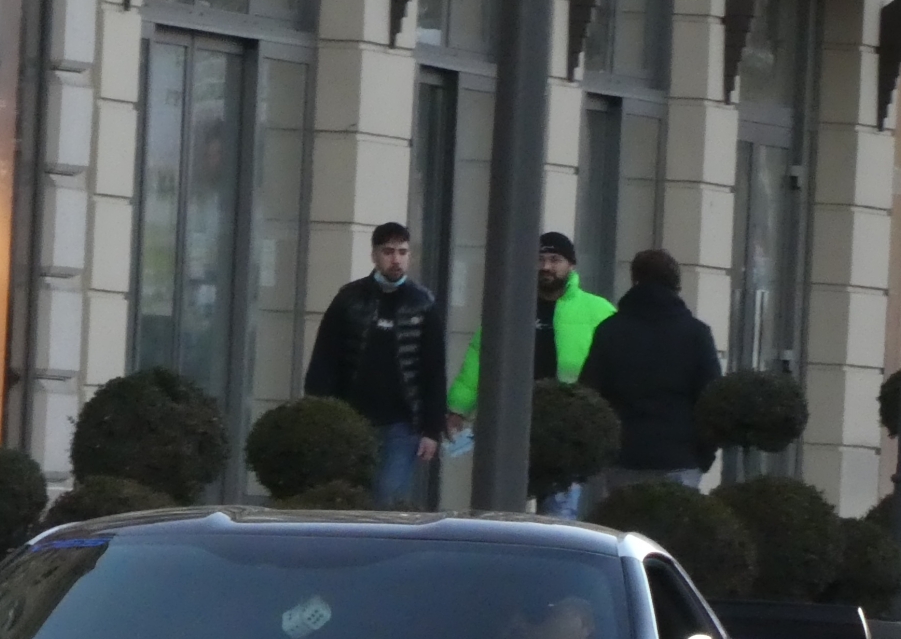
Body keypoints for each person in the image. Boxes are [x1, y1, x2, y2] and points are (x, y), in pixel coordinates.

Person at [446, 231, 615, 515]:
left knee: (559, 515)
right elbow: (481, 355)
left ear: (571, 265)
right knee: (504, 509)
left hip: (567, 430)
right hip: (512, 424)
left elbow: (613, 366)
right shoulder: (510, 305)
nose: (546, 266)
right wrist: (458, 407)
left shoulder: (598, 311)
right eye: (539, 259)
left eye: (554, 259)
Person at [305, 221, 448, 508]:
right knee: (348, 495)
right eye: (388, 252)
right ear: (374, 255)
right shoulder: (349, 298)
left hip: (402, 423)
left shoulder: (423, 304)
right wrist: (318, 410)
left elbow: (433, 371)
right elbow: (325, 357)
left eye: (402, 252)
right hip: (351, 416)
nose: (396, 259)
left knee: (386, 496)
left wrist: (432, 430)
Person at [578, 248, 721, 499]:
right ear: (676, 285)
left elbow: (589, 394)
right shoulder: (696, 334)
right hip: (680, 456)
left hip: (624, 455)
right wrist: (703, 456)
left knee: (625, 529)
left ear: (634, 281)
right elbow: (712, 400)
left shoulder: (610, 331)